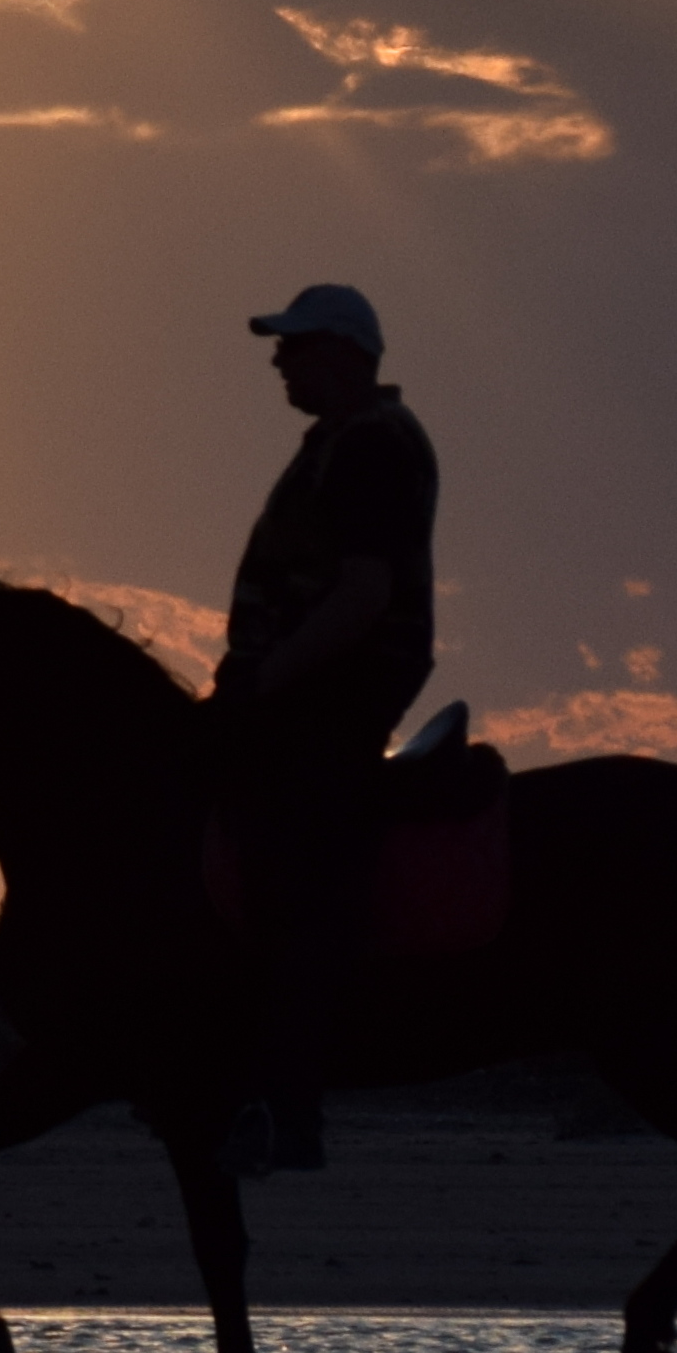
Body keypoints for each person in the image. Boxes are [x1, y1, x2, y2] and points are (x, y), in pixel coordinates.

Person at [209, 281, 439, 1172]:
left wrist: (265, 680)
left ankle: (287, 1105)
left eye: (295, 345)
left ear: (344, 354)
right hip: (303, 686)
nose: (278, 359)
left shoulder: (373, 446)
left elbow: (364, 594)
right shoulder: (340, 442)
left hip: (335, 691)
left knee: (294, 870)